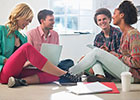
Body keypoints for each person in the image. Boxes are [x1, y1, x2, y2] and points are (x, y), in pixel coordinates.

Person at [0, 3, 80, 88]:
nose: (28, 23)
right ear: (19, 15)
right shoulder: (2, 30)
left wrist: (29, 63)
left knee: (53, 73)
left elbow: (23, 59)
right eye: (27, 20)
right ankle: (65, 74)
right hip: (3, 72)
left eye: (29, 21)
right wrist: (6, 60)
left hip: (17, 72)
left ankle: (20, 81)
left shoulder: (22, 37)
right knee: (27, 47)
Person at [69, 0, 140, 82]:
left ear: (121, 15)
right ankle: (100, 76)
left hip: (133, 75)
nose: (113, 17)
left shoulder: (133, 34)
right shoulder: (125, 34)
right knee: (94, 56)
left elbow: (137, 62)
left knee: (96, 52)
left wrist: (116, 55)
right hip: (125, 72)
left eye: (114, 14)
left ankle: (69, 74)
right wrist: (110, 53)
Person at [84, 8, 122, 81]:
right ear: (97, 23)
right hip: (103, 64)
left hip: (116, 63)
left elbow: (121, 54)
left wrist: (106, 53)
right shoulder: (98, 37)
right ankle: (101, 76)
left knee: (95, 58)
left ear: (109, 20)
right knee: (86, 59)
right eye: (99, 20)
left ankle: (100, 75)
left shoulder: (118, 33)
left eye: (104, 19)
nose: (102, 22)